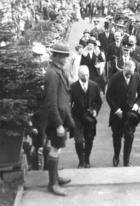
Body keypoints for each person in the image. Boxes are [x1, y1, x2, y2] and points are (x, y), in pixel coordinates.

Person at [40, 41, 75, 196]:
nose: (67, 58)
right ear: (57, 56)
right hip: (56, 120)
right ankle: (52, 184)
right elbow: (50, 102)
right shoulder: (52, 74)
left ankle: (56, 177)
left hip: (60, 117)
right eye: (65, 56)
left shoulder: (57, 70)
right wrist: (58, 124)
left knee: (58, 147)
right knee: (55, 148)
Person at [106, 60, 140, 167]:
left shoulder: (136, 77)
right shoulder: (115, 78)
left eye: (132, 73)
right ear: (124, 68)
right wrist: (116, 110)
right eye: (128, 73)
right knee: (117, 137)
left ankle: (126, 160)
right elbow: (109, 96)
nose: (130, 75)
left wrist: (136, 105)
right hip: (117, 114)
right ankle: (116, 156)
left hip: (130, 114)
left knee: (130, 136)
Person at [70, 66, 102, 168]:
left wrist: (95, 111)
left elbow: (99, 102)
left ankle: (87, 159)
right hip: (77, 118)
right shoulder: (73, 87)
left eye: (87, 75)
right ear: (79, 75)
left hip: (89, 118)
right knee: (78, 140)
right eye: (83, 75)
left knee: (89, 139)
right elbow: (69, 103)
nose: (86, 77)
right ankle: (81, 160)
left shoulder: (94, 85)